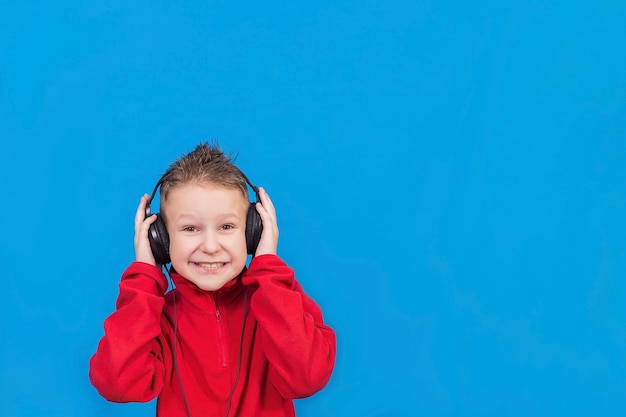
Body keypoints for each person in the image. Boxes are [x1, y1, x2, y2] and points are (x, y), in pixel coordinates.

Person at [89, 142, 336, 417]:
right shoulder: (155, 318)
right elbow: (117, 385)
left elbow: (307, 378)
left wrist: (268, 268)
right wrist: (145, 275)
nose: (210, 245)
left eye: (227, 227)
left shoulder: (280, 299)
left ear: (254, 230)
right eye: (190, 228)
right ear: (161, 237)